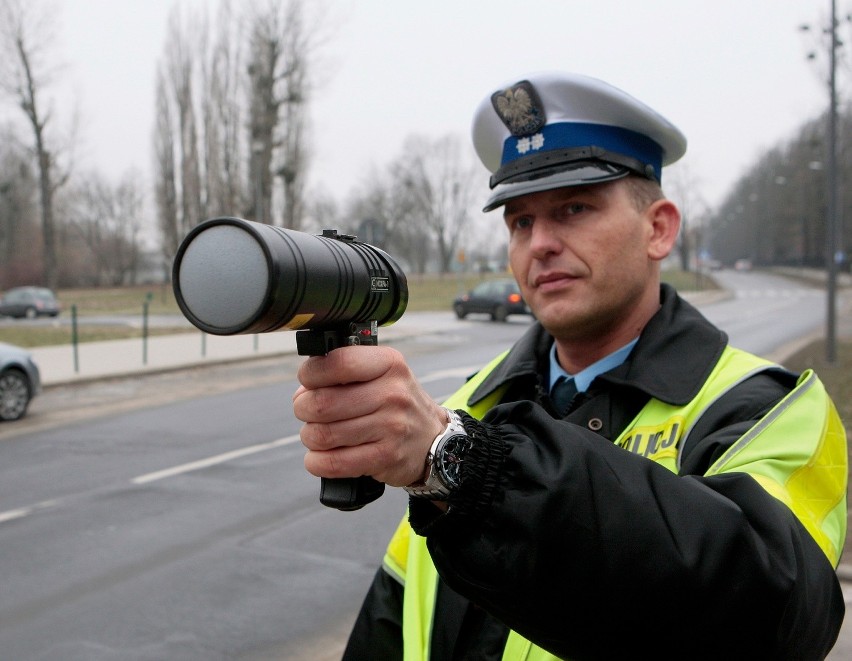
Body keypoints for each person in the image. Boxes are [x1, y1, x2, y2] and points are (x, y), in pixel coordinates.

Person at [293, 72, 848, 660]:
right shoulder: (469, 405)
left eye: (575, 208)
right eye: (520, 222)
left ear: (658, 228)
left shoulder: (769, 408)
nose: (540, 244)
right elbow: (396, 621)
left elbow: (772, 616)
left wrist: (461, 464)